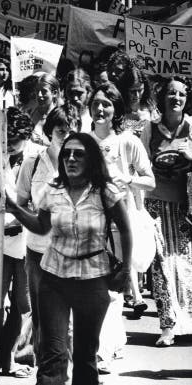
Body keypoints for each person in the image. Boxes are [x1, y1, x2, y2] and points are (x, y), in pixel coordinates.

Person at [7, 132, 132, 385]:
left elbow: (126, 229)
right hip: (53, 279)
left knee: (85, 355)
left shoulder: (105, 191)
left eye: (78, 154)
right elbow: (41, 227)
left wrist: (126, 269)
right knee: (52, 354)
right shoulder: (52, 189)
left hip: (93, 280)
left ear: (91, 159)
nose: (71, 159)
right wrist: (15, 209)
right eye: (66, 154)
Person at [87, 82, 155, 371]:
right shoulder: (83, 141)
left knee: (111, 288)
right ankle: (110, 342)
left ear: (116, 109)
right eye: (97, 103)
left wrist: (125, 179)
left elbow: (150, 181)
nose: (100, 109)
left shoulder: (128, 141)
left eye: (107, 104)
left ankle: (102, 350)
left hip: (120, 224)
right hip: (89, 223)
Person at [15, 104, 79, 373]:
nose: (65, 136)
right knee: (42, 317)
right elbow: (20, 202)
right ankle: (47, 373)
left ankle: (74, 371)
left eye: (70, 131)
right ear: (50, 132)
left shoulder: (83, 163)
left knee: (71, 319)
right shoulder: (33, 162)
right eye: (60, 131)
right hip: (38, 250)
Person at [0, 107, 40, 378]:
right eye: (5, 139)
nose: (9, 146)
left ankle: (18, 356)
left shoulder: (39, 157)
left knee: (24, 304)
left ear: (26, 136)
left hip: (29, 240)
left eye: (14, 140)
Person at [139, 76, 192, 347]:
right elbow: (142, 164)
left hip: (186, 206)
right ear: (163, 98)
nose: (176, 98)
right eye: (171, 93)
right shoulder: (150, 127)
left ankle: (188, 322)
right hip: (157, 202)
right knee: (160, 264)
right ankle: (167, 326)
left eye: (181, 94)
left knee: (184, 264)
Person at [30, 73, 61, 146]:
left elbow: (62, 146)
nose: (39, 95)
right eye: (37, 91)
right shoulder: (31, 113)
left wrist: (42, 142)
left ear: (54, 93)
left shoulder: (60, 116)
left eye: (44, 91)